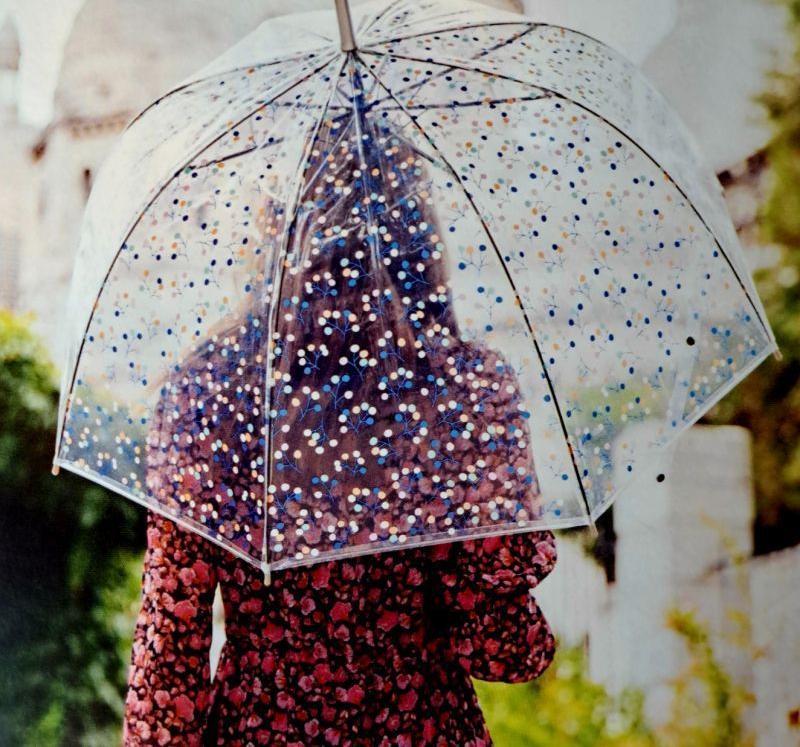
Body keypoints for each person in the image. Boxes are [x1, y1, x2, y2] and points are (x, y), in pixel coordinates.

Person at [123, 97, 558, 745]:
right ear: (416, 234)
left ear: (276, 232)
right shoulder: (462, 395)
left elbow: (169, 668)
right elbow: (506, 654)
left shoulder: (208, 395)